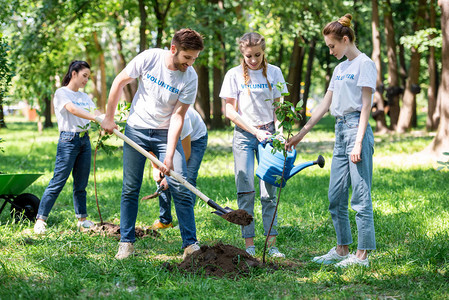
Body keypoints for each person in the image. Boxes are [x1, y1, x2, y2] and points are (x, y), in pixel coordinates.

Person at [100, 28, 204, 259]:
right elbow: (119, 81)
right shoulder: (150, 58)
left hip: (165, 132)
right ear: (174, 49)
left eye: (194, 59)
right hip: (136, 129)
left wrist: (167, 157)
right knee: (130, 188)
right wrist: (109, 117)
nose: (190, 63)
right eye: (187, 58)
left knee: (181, 185)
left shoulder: (190, 77)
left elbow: (178, 116)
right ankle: (126, 242)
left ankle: (190, 245)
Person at [286, 14, 376, 267]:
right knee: (335, 196)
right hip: (340, 132)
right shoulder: (340, 69)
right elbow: (326, 103)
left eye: (332, 46)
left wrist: (358, 142)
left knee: (360, 195)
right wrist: (301, 134)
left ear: (345, 40)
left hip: (357, 129)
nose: (330, 50)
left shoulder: (364, 64)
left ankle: (362, 256)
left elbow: (366, 106)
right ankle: (341, 249)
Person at [219, 32, 287, 258]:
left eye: (257, 55)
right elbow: (229, 110)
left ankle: (271, 244)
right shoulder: (234, 74)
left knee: (269, 191)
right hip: (244, 135)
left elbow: (280, 108)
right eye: (249, 56)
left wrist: (280, 132)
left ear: (264, 51)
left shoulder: (274, 72)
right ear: (242, 53)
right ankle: (249, 245)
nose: (254, 60)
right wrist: (254, 131)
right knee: (246, 189)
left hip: (269, 135)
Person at [34, 60, 100, 234]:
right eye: (84, 76)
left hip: (85, 141)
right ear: (74, 74)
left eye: (88, 77)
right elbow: (73, 110)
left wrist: (109, 119)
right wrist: (96, 119)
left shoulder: (85, 97)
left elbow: (96, 112)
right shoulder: (62, 93)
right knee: (58, 181)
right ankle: (41, 219)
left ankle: (82, 219)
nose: (86, 80)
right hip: (68, 140)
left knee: (81, 184)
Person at [147, 106, 208, 230]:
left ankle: (185, 224)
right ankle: (165, 221)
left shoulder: (183, 119)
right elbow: (150, 147)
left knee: (186, 178)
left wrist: (170, 176)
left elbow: (186, 153)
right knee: (161, 177)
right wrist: (156, 168)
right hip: (167, 139)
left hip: (195, 140)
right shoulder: (150, 119)